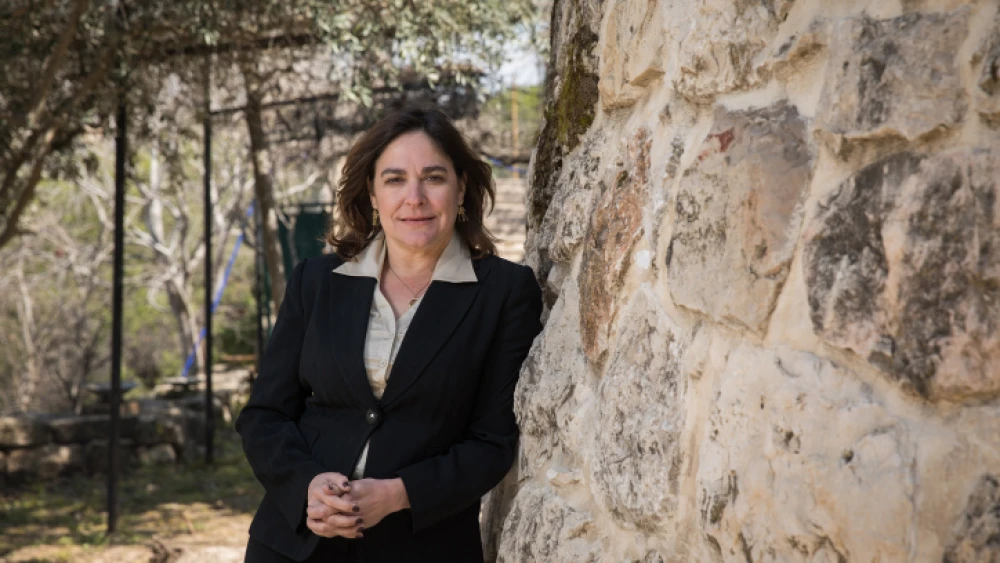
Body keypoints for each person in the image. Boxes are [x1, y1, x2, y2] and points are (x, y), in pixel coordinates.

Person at [236, 105, 544, 562]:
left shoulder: (505, 292)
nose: (414, 198)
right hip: (295, 542)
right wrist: (306, 486)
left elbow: (493, 442)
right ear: (372, 193)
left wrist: (398, 494)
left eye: (433, 178)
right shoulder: (316, 281)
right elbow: (264, 415)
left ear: (461, 187)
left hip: (424, 547)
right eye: (395, 179)